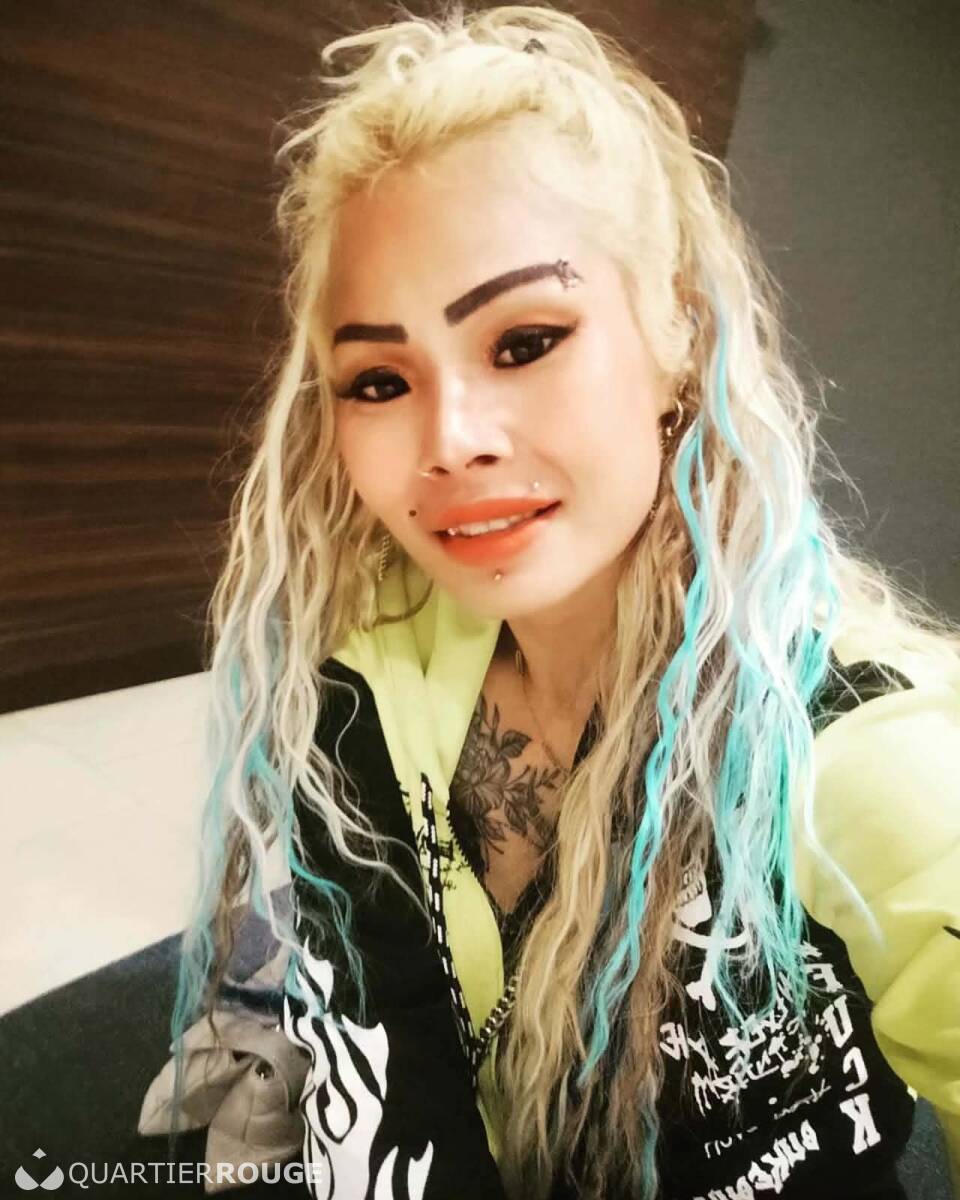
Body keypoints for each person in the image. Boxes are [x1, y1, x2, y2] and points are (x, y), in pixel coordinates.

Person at [168, 5, 960, 1198]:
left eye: (525, 340)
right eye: (378, 379)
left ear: (677, 331)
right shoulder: (360, 687)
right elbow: (389, 1106)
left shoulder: (864, 758)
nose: (451, 440)